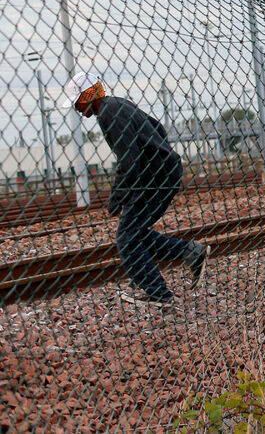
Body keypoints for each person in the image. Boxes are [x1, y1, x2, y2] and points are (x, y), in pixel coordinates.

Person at [62, 72, 210, 307]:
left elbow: (128, 160)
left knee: (127, 238)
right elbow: (156, 128)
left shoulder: (108, 113)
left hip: (153, 179)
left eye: (77, 102)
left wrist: (116, 199)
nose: (77, 109)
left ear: (88, 95)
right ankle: (191, 251)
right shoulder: (118, 104)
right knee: (135, 232)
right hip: (160, 174)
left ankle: (159, 295)